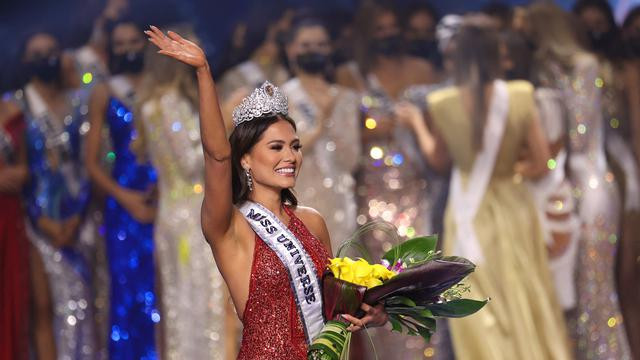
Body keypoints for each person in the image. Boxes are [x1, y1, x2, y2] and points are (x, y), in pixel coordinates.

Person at [144, 25, 388, 359]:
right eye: (276, 147)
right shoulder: (230, 226)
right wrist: (203, 73)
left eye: (295, 146)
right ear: (245, 157)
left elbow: (333, 310)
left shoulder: (313, 222)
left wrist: (371, 313)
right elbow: (216, 155)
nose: (290, 157)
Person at [396, 16, 572, 360]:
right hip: (515, 208)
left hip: (467, 213)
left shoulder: (442, 103)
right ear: (498, 53)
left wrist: (417, 125)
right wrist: (507, 172)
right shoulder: (522, 95)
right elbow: (540, 165)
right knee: (524, 294)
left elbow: (439, 162)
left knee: (479, 304)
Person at [526, 3, 631, 358]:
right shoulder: (542, 71)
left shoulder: (586, 66)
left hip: (589, 186)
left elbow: (581, 137)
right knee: (567, 291)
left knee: (595, 289)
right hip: (559, 187)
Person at [134, 28, 234, 359]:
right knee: (201, 298)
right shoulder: (169, 104)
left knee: (182, 302)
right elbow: (192, 163)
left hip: (172, 213)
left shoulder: (151, 105)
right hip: (193, 213)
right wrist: (227, 118)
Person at [13, 31, 96, 359]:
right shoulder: (16, 106)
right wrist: (42, 220)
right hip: (38, 222)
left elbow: (93, 162)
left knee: (86, 303)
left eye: (51, 50)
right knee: (48, 306)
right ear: (24, 60)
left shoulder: (79, 104)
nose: (46, 57)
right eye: (38, 52)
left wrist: (77, 216)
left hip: (80, 218)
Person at [85, 18, 159, 359]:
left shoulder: (160, 86)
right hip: (123, 200)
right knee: (127, 291)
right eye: (121, 44)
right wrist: (124, 197)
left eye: (134, 41)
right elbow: (90, 163)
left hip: (162, 197)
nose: (129, 49)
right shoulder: (104, 91)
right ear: (112, 50)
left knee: (160, 288)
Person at [575, 2, 640, 355]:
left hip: (621, 168)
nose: (594, 31)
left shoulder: (624, 69)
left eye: (600, 23)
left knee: (627, 272)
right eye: (587, 25)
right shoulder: (572, 68)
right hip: (580, 174)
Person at [281, 18, 360, 251]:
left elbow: (351, 158)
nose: (313, 51)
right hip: (298, 199)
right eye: (305, 46)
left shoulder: (346, 98)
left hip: (339, 201)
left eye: (321, 45)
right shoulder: (281, 97)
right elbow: (281, 153)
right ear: (291, 49)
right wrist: (320, 125)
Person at [0, 98, 30, 360]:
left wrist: (21, 173)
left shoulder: (14, 111)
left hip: (10, 215)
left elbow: (26, 166)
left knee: (12, 299)